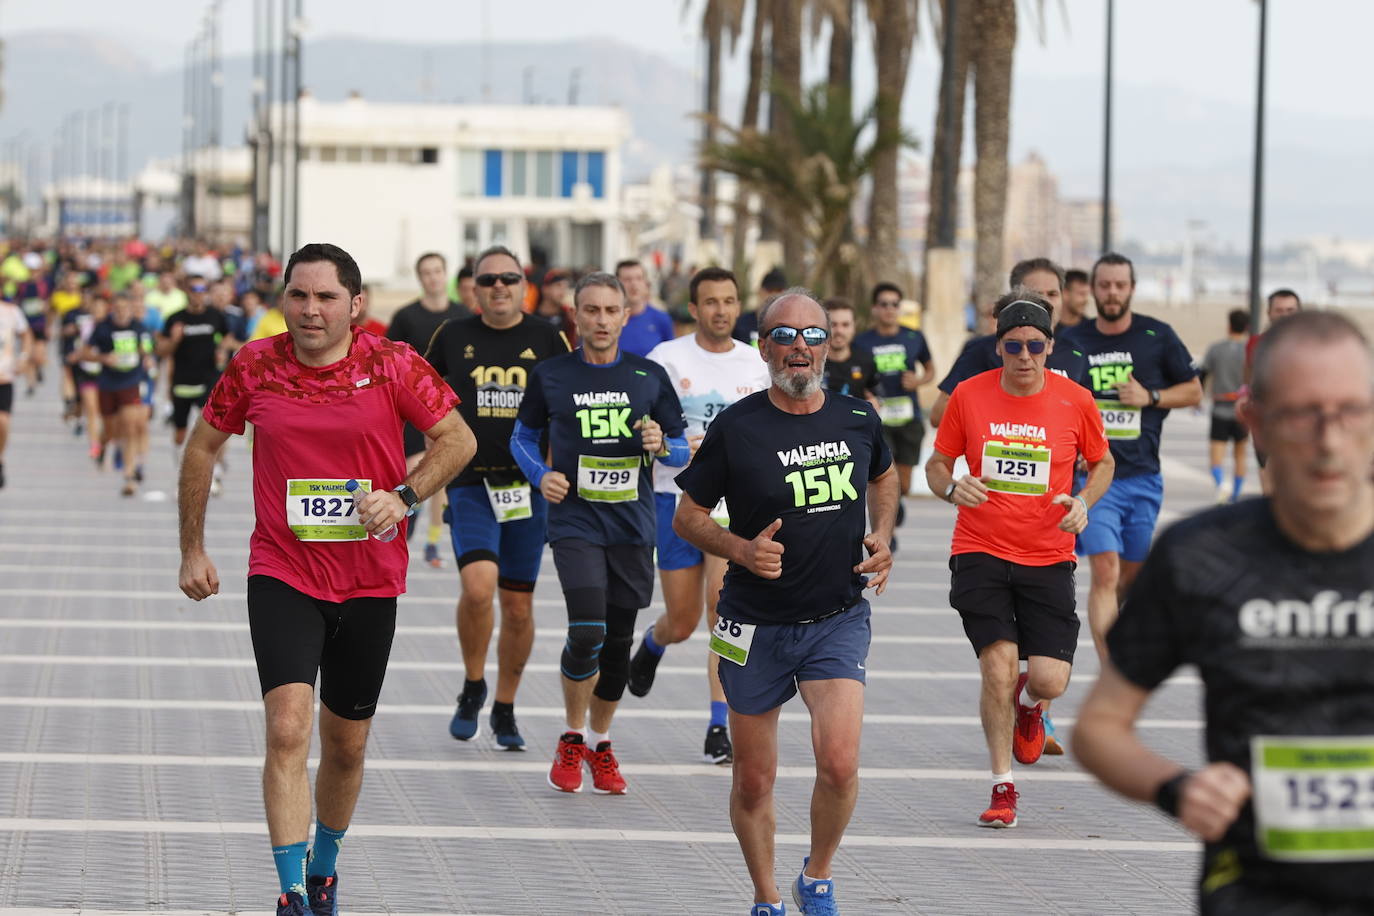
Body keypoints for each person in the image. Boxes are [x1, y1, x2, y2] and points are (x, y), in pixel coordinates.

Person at [176, 243, 475, 916]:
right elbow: (202, 445)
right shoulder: (255, 365)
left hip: (370, 580)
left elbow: (458, 439)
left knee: (347, 744)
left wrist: (403, 494)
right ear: (282, 299)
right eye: (298, 296)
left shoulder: (391, 363)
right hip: (283, 570)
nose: (311, 311)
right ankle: (288, 895)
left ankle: (324, 870)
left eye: (326, 298)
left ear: (356, 305)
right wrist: (191, 548)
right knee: (287, 728)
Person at [1074, 310, 1374, 915]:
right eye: (1300, 413)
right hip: (1256, 890)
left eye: (1350, 411)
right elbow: (1098, 729)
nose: (1329, 438)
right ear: (1254, 422)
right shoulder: (1201, 556)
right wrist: (1177, 789)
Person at [673, 288, 897, 916]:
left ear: (829, 345)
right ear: (765, 346)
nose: (801, 347)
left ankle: (817, 876)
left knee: (841, 762)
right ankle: (767, 897)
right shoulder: (737, 427)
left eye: (814, 335)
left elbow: (884, 475)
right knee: (753, 778)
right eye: (786, 335)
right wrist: (741, 551)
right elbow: (688, 518)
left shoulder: (858, 418)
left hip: (837, 616)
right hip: (752, 622)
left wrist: (881, 535)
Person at [926, 292, 1113, 828]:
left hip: (1049, 554)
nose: (1025, 356)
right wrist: (950, 488)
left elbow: (1103, 463)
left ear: (1050, 346)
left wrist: (1083, 502)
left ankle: (1031, 708)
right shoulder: (969, 394)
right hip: (979, 550)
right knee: (998, 665)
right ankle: (1002, 786)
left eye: (1035, 345)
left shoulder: (1075, 400)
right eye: (1013, 346)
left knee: (1050, 679)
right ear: (998, 348)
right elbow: (939, 464)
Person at [510, 271, 689, 796]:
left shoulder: (649, 376)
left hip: (634, 526)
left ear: (625, 315)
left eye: (611, 311)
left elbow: (681, 449)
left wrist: (662, 444)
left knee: (616, 649)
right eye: (591, 310)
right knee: (587, 629)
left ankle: (601, 742)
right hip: (575, 522)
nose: (602, 320)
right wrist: (541, 476)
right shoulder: (552, 375)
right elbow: (522, 437)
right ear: (576, 315)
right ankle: (570, 733)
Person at [425, 245, 570, 748]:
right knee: (479, 587)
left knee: (519, 607)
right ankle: (472, 683)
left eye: (509, 278)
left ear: (523, 284)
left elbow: (573, 405)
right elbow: (421, 396)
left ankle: (505, 706)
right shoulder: (454, 335)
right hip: (471, 484)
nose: (499, 287)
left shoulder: (548, 337)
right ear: (474, 289)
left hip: (528, 489)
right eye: (488, 281)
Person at [626, 266, 770, 764]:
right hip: (675, 499)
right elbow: (638, 422)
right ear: (693, 309)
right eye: (711, 302)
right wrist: (663, 443)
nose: (722, 310)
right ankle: (653, 642)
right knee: (684, 620)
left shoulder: (756, 363)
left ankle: (718, 724)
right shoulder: (665, 359)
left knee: (721, 609)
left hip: (734, 507)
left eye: (730, 300)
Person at [1058, 252, 1201, 661]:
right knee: (1105, 570)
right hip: (1096, 479)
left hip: (1143, 477)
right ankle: (1113, 671)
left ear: (1132, 288)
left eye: (1120, 285)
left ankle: (1119, 636)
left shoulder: (1158, 336)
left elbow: (1193, 391)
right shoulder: (1073, 341)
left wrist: (1150, 397)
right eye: (1104, 285)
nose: (1112, 292)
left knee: (1128, 579)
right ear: (1093, 290)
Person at [929, 258, 1089, 430]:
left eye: (1053, 294)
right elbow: (938, 416)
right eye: (1036, 294)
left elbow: (1086, 417)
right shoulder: (983, 350)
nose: (1046, 302)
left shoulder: (1075, 351)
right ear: (1016, 297)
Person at [387, 251, 471, 567]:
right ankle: (407, 522)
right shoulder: (406, 317)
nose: (433, 277)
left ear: (445, 274)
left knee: (443, 476)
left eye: (438, 271)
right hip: (412, 409)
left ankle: (433, 543)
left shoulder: (463, 315)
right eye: (426, 272)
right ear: (420, 278)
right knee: (416, 468)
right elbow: (388, 362)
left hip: (449, 408)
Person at [855, 282, 935, 552]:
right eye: (884, 304)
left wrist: (919, 380)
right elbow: (855, 371)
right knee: (881, 472)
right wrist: (865, 391)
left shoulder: (914, 337)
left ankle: (895, 507)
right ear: (875, 308)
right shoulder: (863, 341)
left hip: (908, 415)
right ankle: (887, 528)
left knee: (905, 481)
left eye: (894, 304)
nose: (889, 309)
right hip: (879, 418)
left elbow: (931, 369)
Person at [158, 276, 233, 488]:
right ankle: (181, 469)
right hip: (182, 381)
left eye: (202, 288)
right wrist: (174, 340)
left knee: (210, 426)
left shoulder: (215, 316)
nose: (198, 292)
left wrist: (221, 350)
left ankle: (213, 472)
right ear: (186, 291)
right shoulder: (175, 319)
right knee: (180, 433)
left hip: (208, 379)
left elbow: (228, 337)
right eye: (194, 288)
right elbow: (161, 351)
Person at [83, 291, 152, 497]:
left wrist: (147, 357)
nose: (122, 313)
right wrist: (104, 358)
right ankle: (103, 445)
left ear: (130, 309)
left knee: (130, 427)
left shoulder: (139, 328)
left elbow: (147, 349)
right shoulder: (103, 328)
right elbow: (85, 353)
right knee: (112, 430)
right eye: (118, 309)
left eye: (125, 308)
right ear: (112, 309)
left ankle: (129, 476)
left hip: (131, 383)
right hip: (107, 385)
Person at [1245, 289, 1302, 493]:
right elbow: (1249, 381)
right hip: (1267, 426)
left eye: (1290, 310)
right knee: (1270, 493)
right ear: (1269, 313)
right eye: (1279, 310)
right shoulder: (1256, 344)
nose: (1285, 315)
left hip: (1304, 426)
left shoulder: (1313, 345)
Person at [1200, 309, 1251, 504]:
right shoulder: (1249, 350)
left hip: (1220, 407)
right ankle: (1236, 495)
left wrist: (1199, 397)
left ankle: (1221, 486)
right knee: (1240, 455)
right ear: (1247, 327)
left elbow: (1203, 374)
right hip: (1242, 411)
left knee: (1216, 455)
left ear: (1228, 324)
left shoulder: (1216, 348)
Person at [0, 293, 34, 488]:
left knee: (2, 422)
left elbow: (26, 334)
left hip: (4, 377)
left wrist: (23, 357)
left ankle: (0, 459)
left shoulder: (11, 312)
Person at [820, 298, 880, 407]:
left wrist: (875, 404)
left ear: (854, 327)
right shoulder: (810, 362)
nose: (839, 331)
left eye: (845, 325)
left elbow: (878, 396)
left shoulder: (866, 360)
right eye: (833, 325)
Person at [614, 259, 674, 356]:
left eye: (639, 278)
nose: (634, 284)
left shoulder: (661, 319)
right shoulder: (607, 320)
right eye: (627, 279)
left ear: (646, 283)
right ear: (616, 284)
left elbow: (670, 358)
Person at [732, 268, 787, 348]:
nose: (773, 296)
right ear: (760, 291)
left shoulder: (788, 327)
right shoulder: (739, 325)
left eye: (778, 292)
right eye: (770, 291)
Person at [534, 268, 577, 346]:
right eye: (558, 285)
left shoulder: (568, 316)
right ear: (545, 289)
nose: (563, 291)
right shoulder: (531, 316)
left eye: (565, 287)